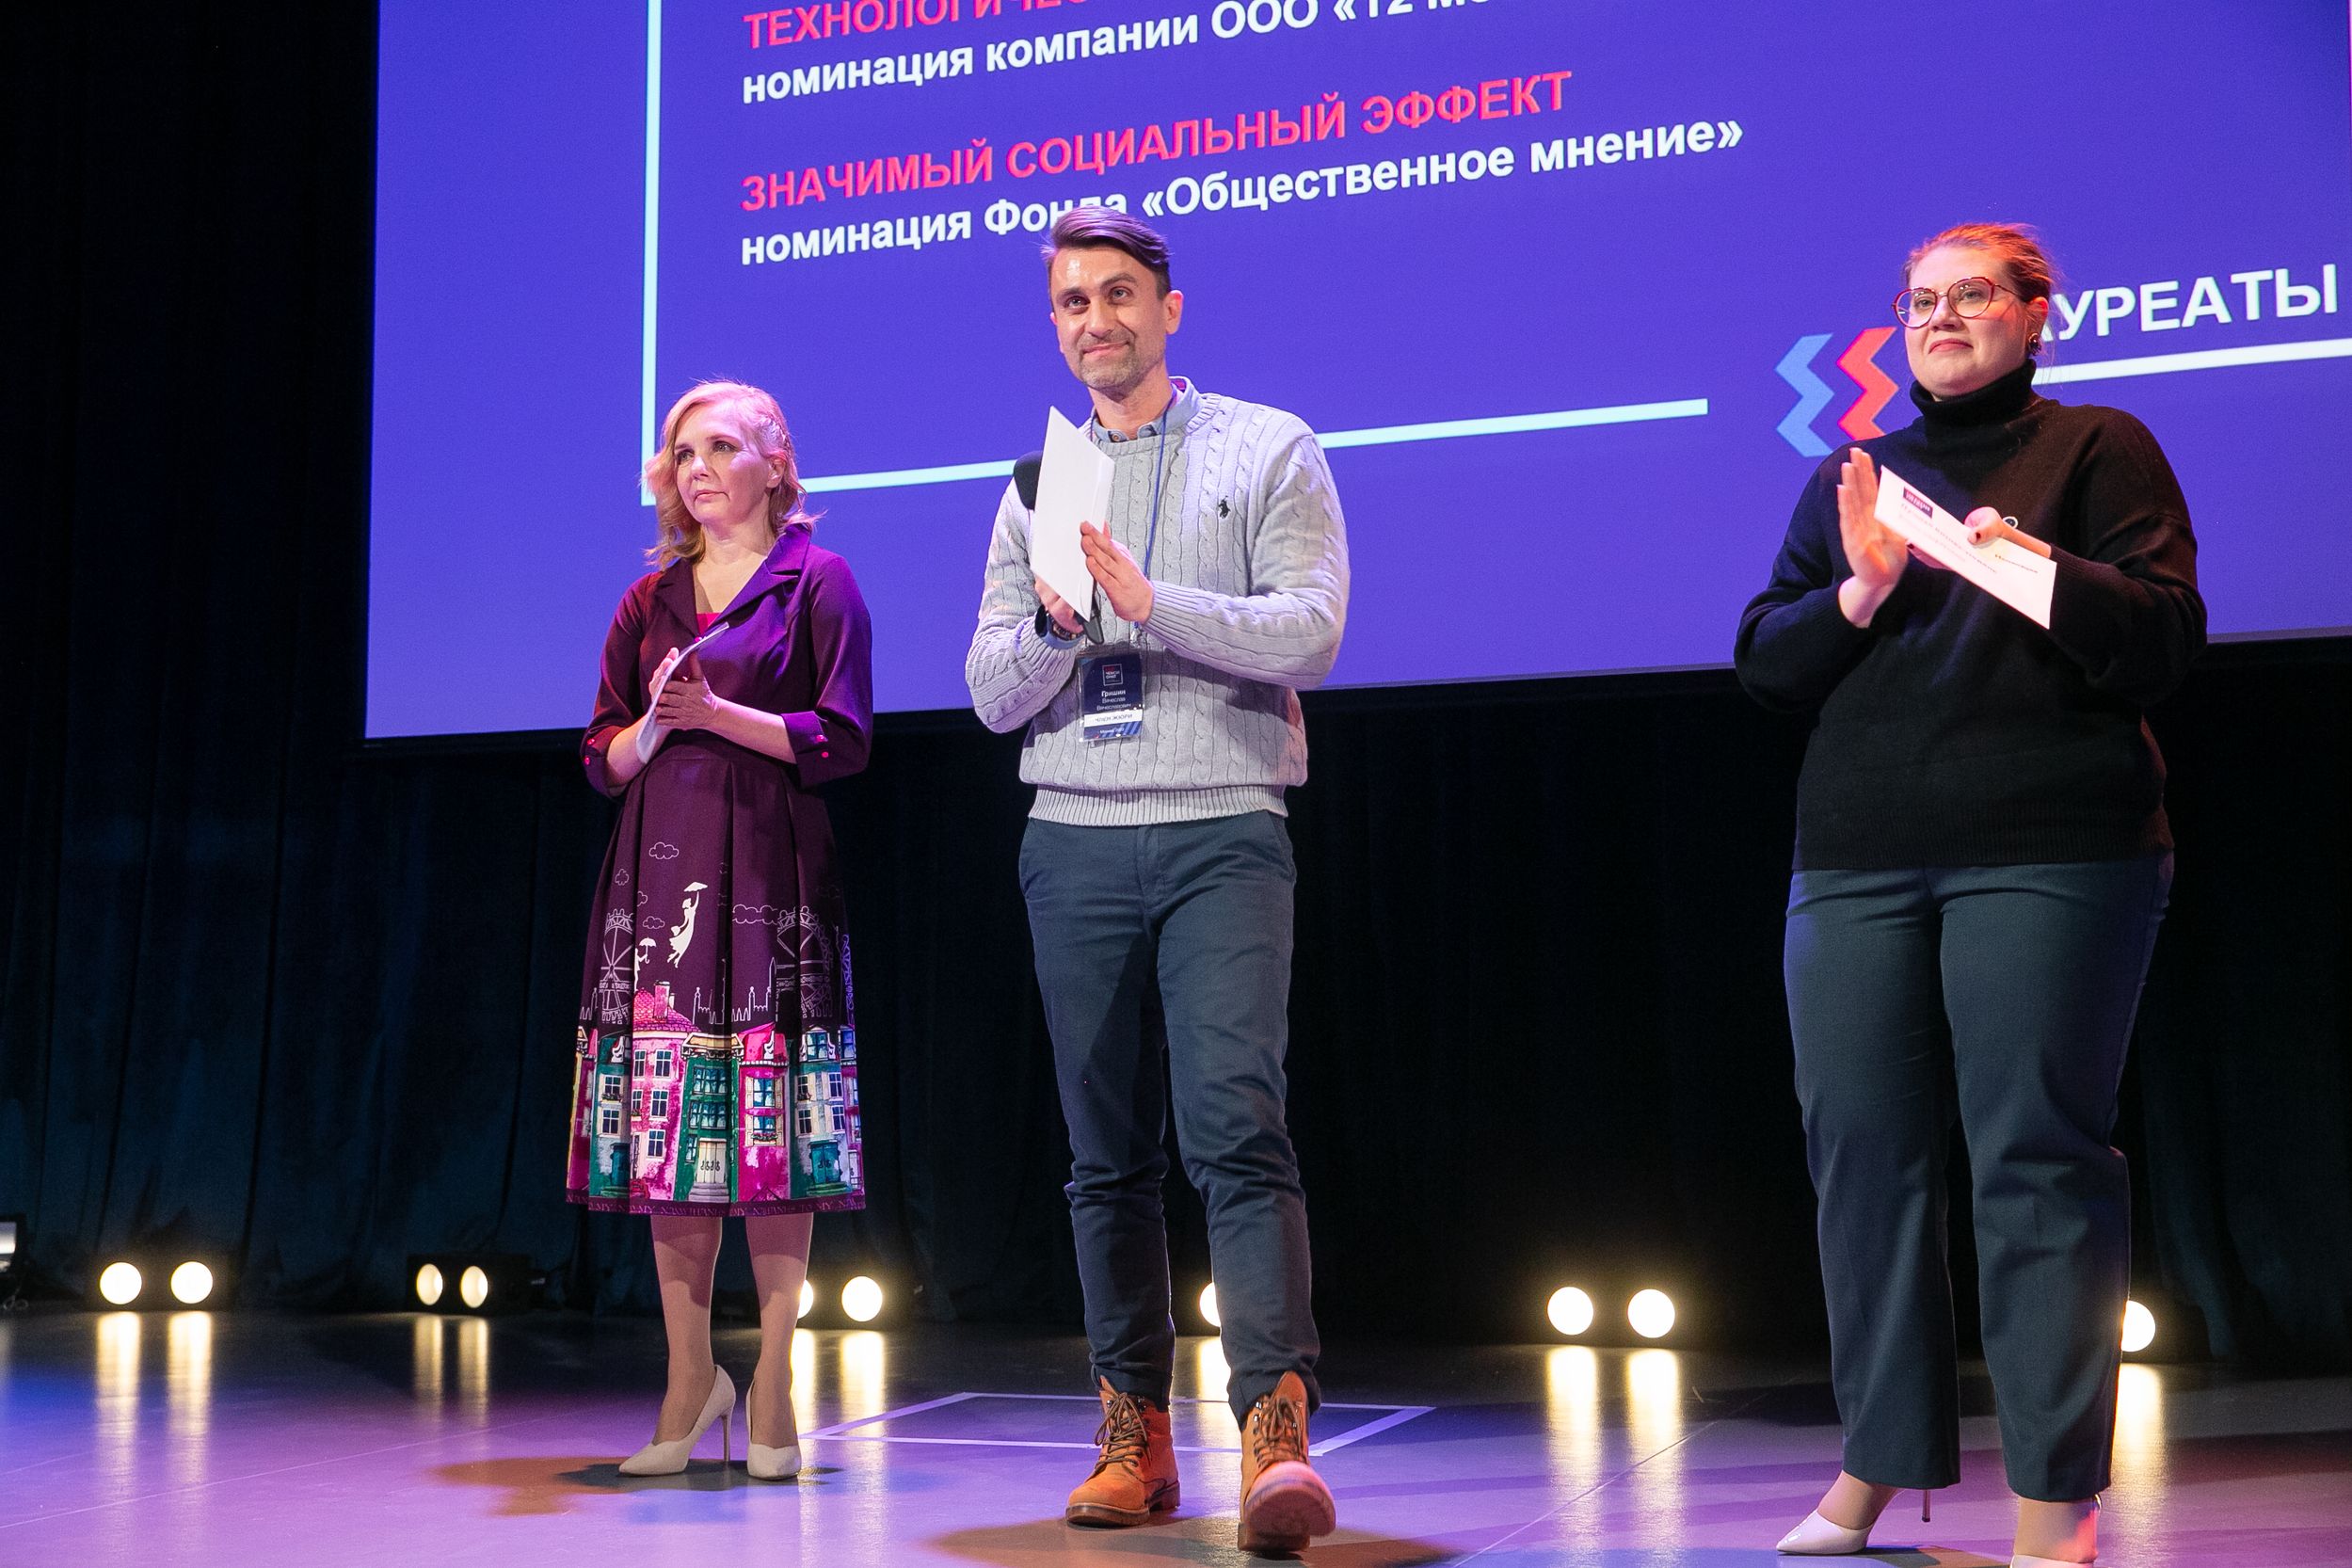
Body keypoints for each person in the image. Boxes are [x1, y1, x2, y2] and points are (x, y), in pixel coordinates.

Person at [1735, 223, 2203, 1566]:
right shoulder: (1855, 476)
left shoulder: (2097, 447)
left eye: (1971, 295)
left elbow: (2167, 636)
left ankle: (2055, 1500)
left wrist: (2036, 569)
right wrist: (1861, 591)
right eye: (1919, 301)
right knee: (1860, 1161)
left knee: (2033, 1160)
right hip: (1856, 852)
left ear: (2033, 313)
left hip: (2052, 846)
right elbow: (1764, 659)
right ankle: (1874, 1460)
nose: (1940, 317)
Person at [964, 207, 1350, 1554]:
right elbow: (989, 691)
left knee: (1235, 1128)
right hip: (1070, 835)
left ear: (1168, 309)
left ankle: (1273, 1431)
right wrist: (1059, 623)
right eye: (1073, 301)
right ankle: (1132, 1428)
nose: (1097, 321)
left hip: (1220, 823)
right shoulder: (1037, 484)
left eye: (1119, 294)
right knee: (1102, 1156)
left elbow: (1310, 632)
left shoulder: (1267, 445)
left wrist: (1150, 601)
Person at [566, 379, 873, 1482]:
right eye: (683, 452)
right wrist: (656, 726)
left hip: (773, 872)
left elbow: (844, 738)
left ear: (775, 465)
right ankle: (691, 1382)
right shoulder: (646, 600)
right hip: (660, 880)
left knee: (771, 1131)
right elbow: (600, 757)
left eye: (722, 447)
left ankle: (778, 1380)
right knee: (676, 1135)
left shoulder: (817, 581)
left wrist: (718, 714)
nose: (697, 468)